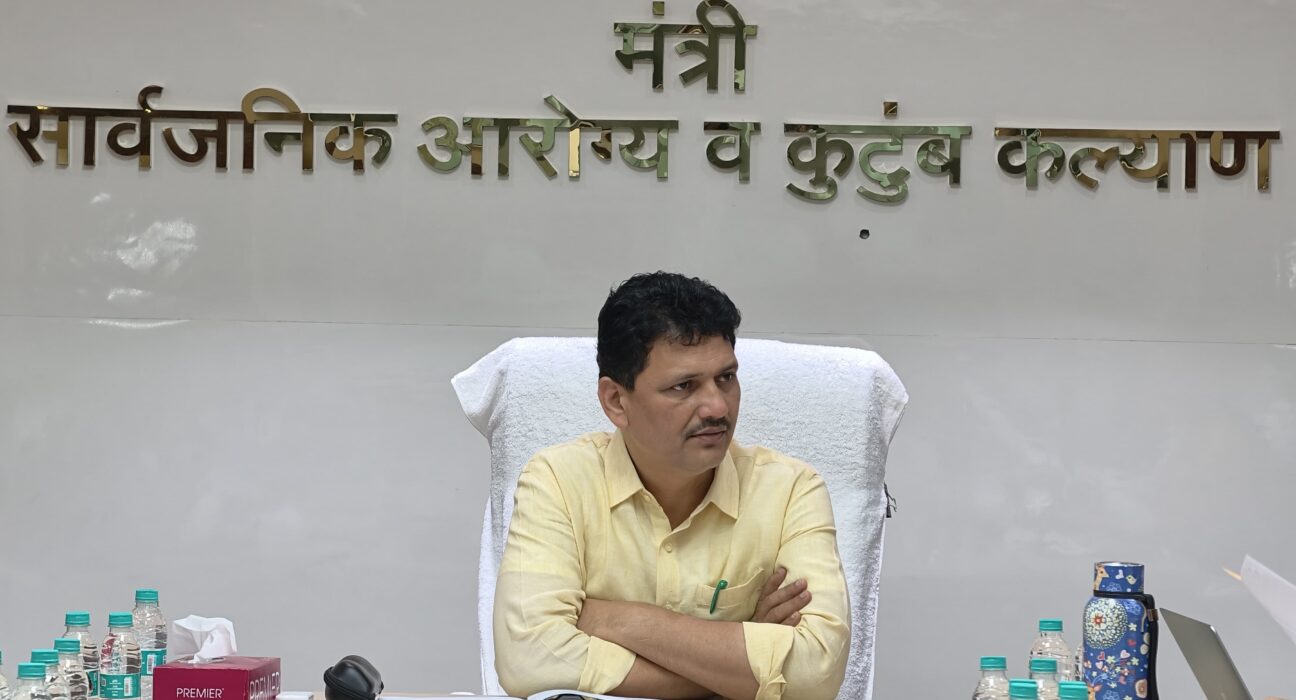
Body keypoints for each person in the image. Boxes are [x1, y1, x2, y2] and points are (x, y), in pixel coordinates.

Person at [493, 272, 850, 700]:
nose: (718, 407)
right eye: (684, 386)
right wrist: (740, 665)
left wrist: (617, 621)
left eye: (726, 378)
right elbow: (528, 661)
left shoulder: (793, 489)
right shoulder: (557, 480)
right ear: (616, 401)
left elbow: (818, 670)